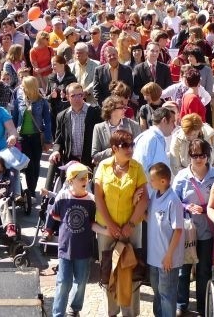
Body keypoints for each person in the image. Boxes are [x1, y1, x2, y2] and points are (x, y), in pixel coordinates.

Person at [93, 129, 148, 316]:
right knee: (109, 270)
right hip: (107, 230)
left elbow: (144, 199)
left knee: (132, 270)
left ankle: (130, 313)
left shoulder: (137, 168)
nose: (130, 149)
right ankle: (112, 311)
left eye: (131, 145)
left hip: (132, 229)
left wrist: (130, 225)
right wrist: (110, 225)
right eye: (125, 145)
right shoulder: (103, 166)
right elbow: (98, 198)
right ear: (114, 148)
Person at [172, 137, 214, 316]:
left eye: (202, 155)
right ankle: (181, 304)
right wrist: (186, 206)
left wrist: (206, 208)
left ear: (208, 156)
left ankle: (203, 305)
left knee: (204, 270)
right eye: (194, 155)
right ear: (189, 156)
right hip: (187, 230)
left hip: (207, 230)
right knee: (183, 269)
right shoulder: (182, 176)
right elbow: (174, 200)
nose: (198, 159)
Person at [50, 162, 96, 317]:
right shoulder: (62, 196)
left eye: (87, 177)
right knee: (63, 282)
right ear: (71, 180)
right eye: (81, 178)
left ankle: (74, 308)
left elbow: (92, 222)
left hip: (84, 248)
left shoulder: (91, 200)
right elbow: (55, 214)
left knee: (81, 281)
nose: (85, 180)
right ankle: (58, 313)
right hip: (65, 247)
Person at [147, 162, 185, 317]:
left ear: (163, 181)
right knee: (157, 292)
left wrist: (169, 255)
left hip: (167, 258)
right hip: (154, 257)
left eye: (152, 179)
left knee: (167, 294)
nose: (150, 182)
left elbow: (178, 230)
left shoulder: (173, 200)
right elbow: (149, 219)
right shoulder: (154, 195)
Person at [46, 83, 101, 191]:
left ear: (83, 96)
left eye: (80, 95)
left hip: (90, 160)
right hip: (71, 160)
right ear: (67, 97)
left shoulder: (95, 112)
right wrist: (56, 151)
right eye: (73, 96)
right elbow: (58, 140)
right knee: (53, 160)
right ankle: (47, 194)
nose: (77, 98)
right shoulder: (62, 116)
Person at [11, 76, 51, 200]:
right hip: (23, 136)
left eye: (24, 85)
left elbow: (48, 122)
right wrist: (12, 134)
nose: (21, 87)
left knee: (36, 163)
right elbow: (15, 118)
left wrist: (48, 140)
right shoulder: (19, 100)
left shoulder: (42, 101)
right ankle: (30, 192)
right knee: (28, 164)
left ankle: (31, 190)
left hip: (36, 137)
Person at [91, 95, 141, 165]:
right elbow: (95, 156)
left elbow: (140, 148)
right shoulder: (99, 128)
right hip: (108, 170)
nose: (124, 110)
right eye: (121, 108)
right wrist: (114, 150)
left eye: (124, 107)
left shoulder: (133, 125)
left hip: (130, 168)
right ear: (111, 110)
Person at [133, 106, 177, 175]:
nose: (174, 126)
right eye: (172, 122)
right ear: (164, 120)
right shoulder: (148, 138)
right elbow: (139, 168)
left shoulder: (157, 138)